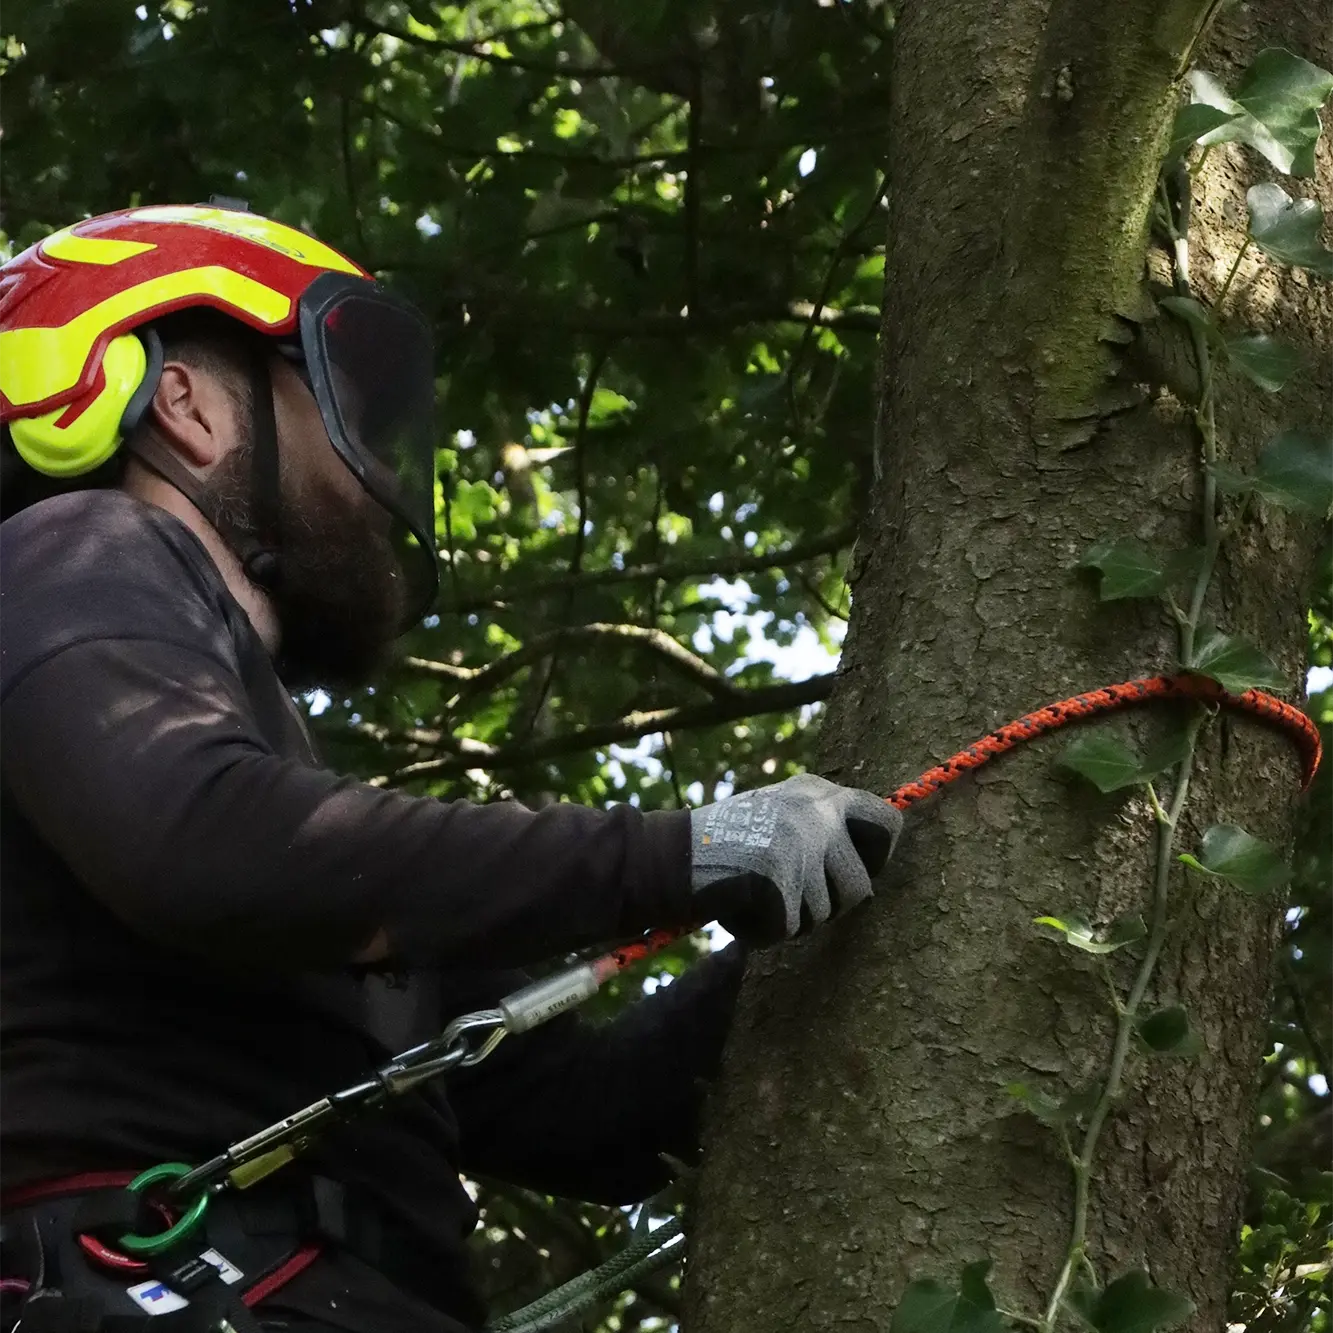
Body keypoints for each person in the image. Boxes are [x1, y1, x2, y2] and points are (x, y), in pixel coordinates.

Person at [0, 203, 902, 1333]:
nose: (380, 464)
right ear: (186, 405)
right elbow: (197, 839)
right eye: (343, 401)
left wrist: (856, 884)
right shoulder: (74, 550)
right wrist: (682, 852)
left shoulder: (310, 844)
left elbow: (586, 1115)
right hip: (153, 1286)